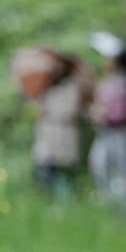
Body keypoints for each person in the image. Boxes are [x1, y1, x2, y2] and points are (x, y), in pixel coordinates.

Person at [31, 54, 84, 199]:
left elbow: (71, 110)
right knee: (44, 168)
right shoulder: (47, 87)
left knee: (65, 170)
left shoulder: (72, 86)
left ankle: (65, 202)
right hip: (48, 134)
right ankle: (49, 201)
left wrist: (50, 112)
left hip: (63, 132)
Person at [88, 58, 126, 206]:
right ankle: (109, 199)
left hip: (122, 132)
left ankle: (125, 206)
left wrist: (106, 115)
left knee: (124, 170)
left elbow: (125, 112)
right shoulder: (104, 84)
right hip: (104, 133)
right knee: (98, 165)